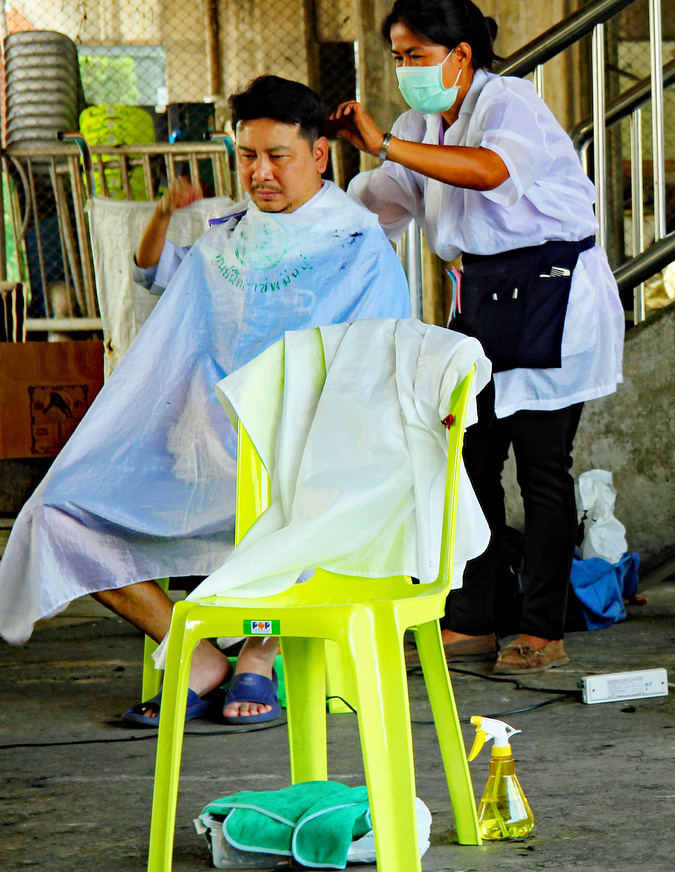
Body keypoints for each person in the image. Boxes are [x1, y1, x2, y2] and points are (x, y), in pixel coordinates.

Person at [0, 75, 411, 724]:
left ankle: (259, 650)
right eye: (248, 156)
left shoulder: (357, 245)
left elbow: (370, 382)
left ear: (319, 155)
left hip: (302, 461)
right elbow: (152, 275)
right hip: (209, 453)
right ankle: (190, 650)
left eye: (279, 156)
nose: (261, 173)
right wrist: (166, 212)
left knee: (310, 493)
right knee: (57, 513)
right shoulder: (228, 236)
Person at [338, 0, 623, 675]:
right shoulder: (422, 122)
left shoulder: (509, 102)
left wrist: (389, 144)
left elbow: (494, 171)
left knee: (543, 470)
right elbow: (389, 200)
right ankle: (474, 616)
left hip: (552, 296)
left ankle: (541, 629)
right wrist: (326, 189)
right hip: (484, 301)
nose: (405, 67)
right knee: (469, 462)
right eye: (398, 56)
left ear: (461, 55)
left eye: (417, 55)